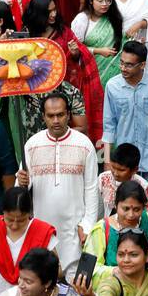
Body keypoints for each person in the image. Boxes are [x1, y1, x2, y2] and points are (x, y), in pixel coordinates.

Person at [17, 93, 98, 277]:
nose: (56, 120)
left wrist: (87, 224)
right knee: (45, 286)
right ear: (43, 116)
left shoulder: (84, 144)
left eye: (60, 115)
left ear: (68, 114)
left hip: (75, 232)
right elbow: (20, 191)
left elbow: (92, 188)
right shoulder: (31, 145)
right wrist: (22, 182)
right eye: (50, 115)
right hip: (42, 231)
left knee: (77, 291)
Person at [102, 41, 148, 179]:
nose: (123, 68)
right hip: (124, 163)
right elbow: (109, 125)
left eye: (129, 65)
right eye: (121, 63)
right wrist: (107, 160)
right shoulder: (112, 86)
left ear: (142, 65)